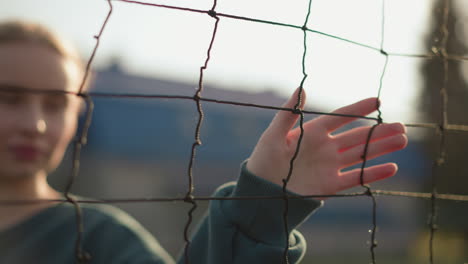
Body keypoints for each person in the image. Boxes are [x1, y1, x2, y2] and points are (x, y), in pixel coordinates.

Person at [0, 20, 408, 264]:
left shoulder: (96, 238)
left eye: (56, 105)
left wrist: (264, 205)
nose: (34, 124)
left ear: (78, 116)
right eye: (10, 98)